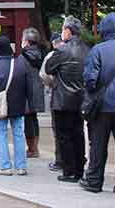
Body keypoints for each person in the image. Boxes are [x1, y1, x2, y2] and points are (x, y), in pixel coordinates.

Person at [80, 12, 115, 197]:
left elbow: (90, 79)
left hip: (102, 105)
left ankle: (94, 180)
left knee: (98, 144)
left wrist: (94, 90)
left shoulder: (98, 49)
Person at [44, 15, 89, 183]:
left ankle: (69, 170)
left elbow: (49, 68)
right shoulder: (88, 49)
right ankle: (79, 169)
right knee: (78, 134)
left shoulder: (62, 50)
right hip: (81, 98)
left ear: (68, 31)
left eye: (63, 29)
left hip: (63, 99)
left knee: (64, 136)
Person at [0, 36, 31, 176]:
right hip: (18, 103)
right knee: (19, 134)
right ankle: (21, 166)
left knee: (1, 134)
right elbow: (28, 86)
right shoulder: (20, 63)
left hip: (0, 104)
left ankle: (5, 166)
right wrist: (30, 103)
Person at [20, 27, 46, 158]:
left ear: (27, 41)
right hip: (37, 89)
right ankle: (35, 147)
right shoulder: (42, 54)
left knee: (28, 120)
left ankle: (32, 149)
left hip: (26, 91)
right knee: (33, 119)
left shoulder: (23, 56)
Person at [41, 34, 65, 172]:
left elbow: (44, 74)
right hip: (78, 95)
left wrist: (51, 84)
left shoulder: (52, 56)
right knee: (76, 130)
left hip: (57, 94)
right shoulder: (80, 51)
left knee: (59, 130)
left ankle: (60, 160)